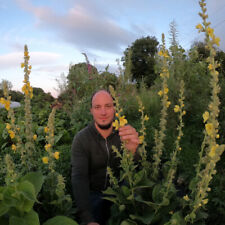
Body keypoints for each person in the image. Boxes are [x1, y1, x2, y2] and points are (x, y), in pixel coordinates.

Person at [71, 89, 139, 225]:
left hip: (120, 193)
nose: (103, 112)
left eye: (108, 106)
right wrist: (88, 219)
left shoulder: (125, 134)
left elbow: (136, 171)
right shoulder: (81, 139)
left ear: (114, 109)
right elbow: (79, 179)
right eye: (97, 107)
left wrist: (134, 153)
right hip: (93, 195)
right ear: (91, 110)